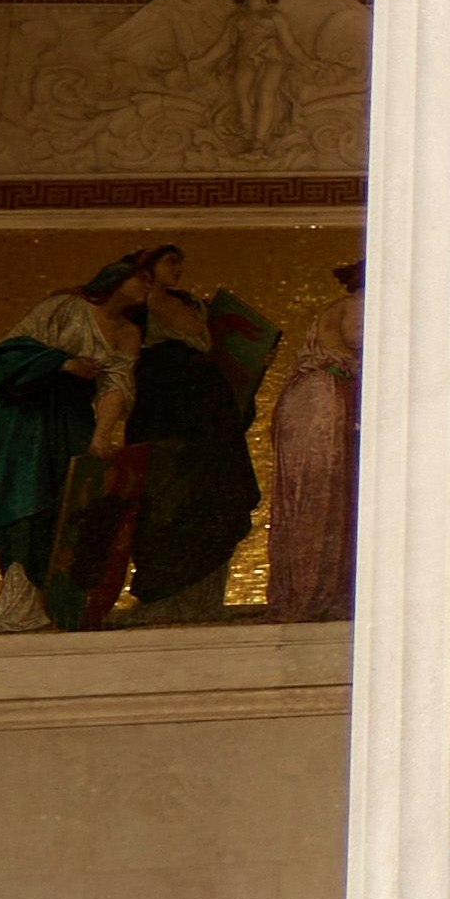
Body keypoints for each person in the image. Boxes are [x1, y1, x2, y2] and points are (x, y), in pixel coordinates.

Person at [0, 252, 149, 633]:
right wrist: (62, 364)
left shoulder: (129, 332)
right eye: (142, 277)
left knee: (64, 509)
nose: (148, 286)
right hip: (24, 415)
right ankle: (17, 608)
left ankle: (52, 606)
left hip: (70, 419)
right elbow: (4, 355)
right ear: (117, 277)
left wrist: (102, 436)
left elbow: (117, 384)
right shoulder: (66, 307)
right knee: (25, 505)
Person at [122, 245, 270, 623]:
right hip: (165, 406)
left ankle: (202, 600)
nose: (179, 270)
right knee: (167, 500)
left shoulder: (195, 306)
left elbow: (222, 353)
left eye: (181, 263)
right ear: (148, 267)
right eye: (171, 261)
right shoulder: (135, 308)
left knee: (217, 497)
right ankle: (164, 598)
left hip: (208, 410)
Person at [267, 259, 363, 622]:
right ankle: (313, 594)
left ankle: (310, 592)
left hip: (317, 399)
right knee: (321, 496)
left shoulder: (343, 306)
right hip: (321, 403)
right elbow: (362, 342)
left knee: (317, 496)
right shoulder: (359, 304)